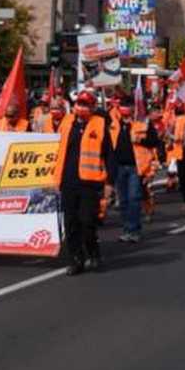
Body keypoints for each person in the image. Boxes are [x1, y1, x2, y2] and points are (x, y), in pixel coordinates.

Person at [54, 91, 113, 275]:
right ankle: (76, 260)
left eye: (86, 104)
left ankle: (93, 252)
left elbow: (109, 155)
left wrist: (110, 182)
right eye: (79, 103)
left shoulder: (100, 124)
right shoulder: (66, 122)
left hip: (90, 182)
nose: (81, 107)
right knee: (71, 224)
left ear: (93, 107)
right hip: (67, 181)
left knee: (87, 222)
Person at [109, 103, 146, 242]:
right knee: (123, 201)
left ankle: (134, 230)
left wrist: (140, 139)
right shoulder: (114, 125)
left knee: (134, 199)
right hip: (118, 167)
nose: (124, 109)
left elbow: (153, 140)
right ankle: (126, 230)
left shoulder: (140, 123)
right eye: (122, 106)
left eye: (127, 105)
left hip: (135, 166)